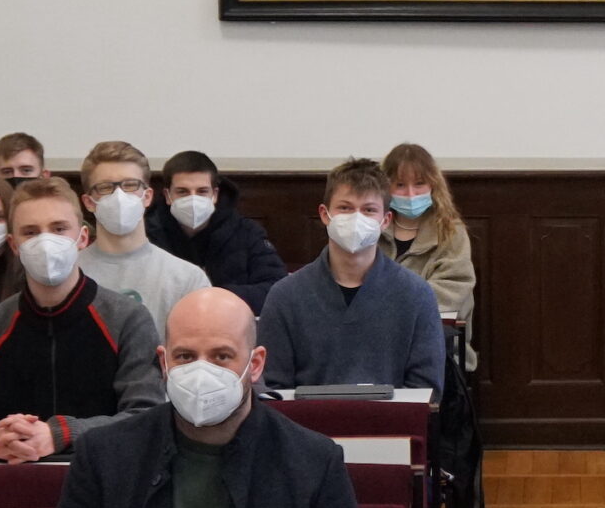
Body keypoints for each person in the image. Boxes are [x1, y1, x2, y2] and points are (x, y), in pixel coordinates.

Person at [35, 288, 366, 508]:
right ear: (163, 362)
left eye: (222, 356)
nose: (201, 372)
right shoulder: (104, 457)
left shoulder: (314, 463)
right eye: (184, 356)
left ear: (255, 364)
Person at [0, 176, 165, 461]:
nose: (45, 240)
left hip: (103, 479)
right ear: (14, 246)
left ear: (83, 238)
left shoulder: (128, 319)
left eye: (59, 228)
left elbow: (146, 415)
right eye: (31, 232)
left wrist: (58, 435)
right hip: (8, 481)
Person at [259, 159, 445, 393]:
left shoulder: (416, 295)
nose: (356, 218)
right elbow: (273, 389)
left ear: (385, 221)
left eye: (369, 210)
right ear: (325, 215)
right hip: (304, 428)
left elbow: (426, 389)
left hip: (391, 428)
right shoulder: (285, 296)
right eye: (345, 208)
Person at [77, 141, 210, 331]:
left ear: (147, 196)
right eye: (106, 187)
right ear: (89, 202)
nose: (119, 196)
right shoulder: (68, 275)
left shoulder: (187, 279)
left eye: (130, 185)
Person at [144, 150, 289, 310]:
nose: (193, 199)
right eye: (182, 192)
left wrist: (212, 295)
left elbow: (276, 288)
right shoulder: (147, 234)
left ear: (215, 194)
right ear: (167, 195)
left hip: (230, 323)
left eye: (202, 191)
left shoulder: (247, 232)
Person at [383, 142, 476, 368]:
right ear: (385, 188)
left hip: (436, 344)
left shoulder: (451, 232)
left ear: (433, 185)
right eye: (400, 185)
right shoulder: (371, 230)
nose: (411, 194)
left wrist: (391, 307)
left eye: (419, 184)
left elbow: (453, 288)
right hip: (377, 343)